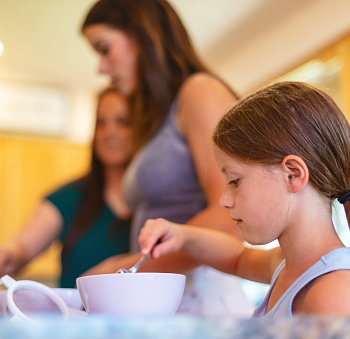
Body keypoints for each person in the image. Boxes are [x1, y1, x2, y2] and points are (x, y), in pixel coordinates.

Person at [139, 81, 350, 317]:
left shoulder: (336, 293)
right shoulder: (287, 264)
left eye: (235, 181)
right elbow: (237, 258)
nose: (224, 200)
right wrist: (183, 236)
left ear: (292, 175)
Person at [80, 0, 254, 316]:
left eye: (104, 49)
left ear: (142, 35)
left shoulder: (201, 91)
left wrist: (123, 267)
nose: (101, 68)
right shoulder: (159, 118)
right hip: (169, 303)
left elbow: (230, 213)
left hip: (202, 305)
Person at [0, 87, 133, 288]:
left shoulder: (159, 202)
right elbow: (22, 246)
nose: (109, 132)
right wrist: (5, 252)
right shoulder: (71, 197)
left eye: (123, 122)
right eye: (101, 123)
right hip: (74, 317)